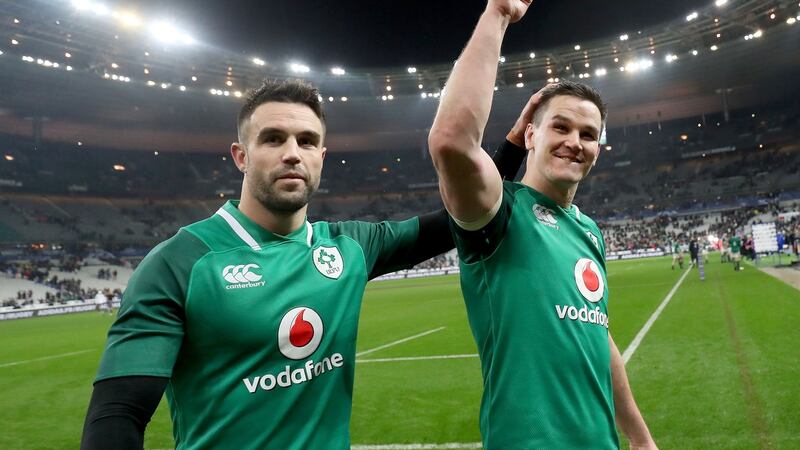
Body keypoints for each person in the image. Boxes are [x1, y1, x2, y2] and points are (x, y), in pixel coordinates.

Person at [80, 78, 525, 449]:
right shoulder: (179, 263)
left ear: (321, 158)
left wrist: (512, 149)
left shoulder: (349, 245)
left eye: (307, 141)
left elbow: (453, 218)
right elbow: (118, 414)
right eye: (273, 138)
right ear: (240, 155)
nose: (292, 152)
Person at [427, 1, 657, 448]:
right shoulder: (497, 213)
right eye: (561, 127)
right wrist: (497, 14)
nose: (576, 143)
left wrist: (641, 439)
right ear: (530, 134)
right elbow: (451, 141)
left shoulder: (589, 231)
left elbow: (598, 337)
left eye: (589, 135)